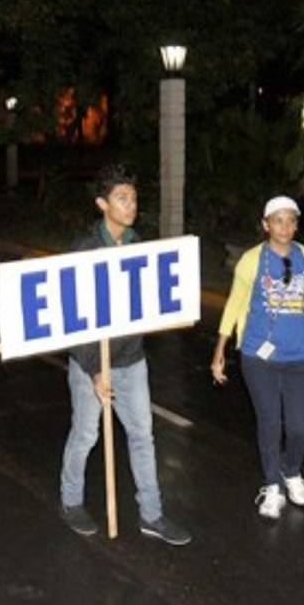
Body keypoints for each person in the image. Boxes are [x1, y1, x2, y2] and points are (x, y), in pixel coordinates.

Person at [58, 164, 192, 546]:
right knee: (85, 434)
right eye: (122, 198)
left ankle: (152, 515)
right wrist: (93, 369)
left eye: (133, 198)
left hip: (132, 361)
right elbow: (72, 317)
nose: (130, 205)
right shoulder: (85, 249)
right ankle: (71, 502)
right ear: (102, 204)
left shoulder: (139, 247)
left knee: (142, 436)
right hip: (90, 363)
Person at [210, 195, 304, 520]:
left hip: (299, 356)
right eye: (278, 220)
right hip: (259, 355)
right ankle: (272, 485)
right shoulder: (251, 261)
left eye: (291, 220)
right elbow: (234, 304)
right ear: (265, 224)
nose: (285, 227)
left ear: (296, 225)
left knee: (298, 427)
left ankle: (292, 471)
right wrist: (219, 351)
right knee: (270, 423)